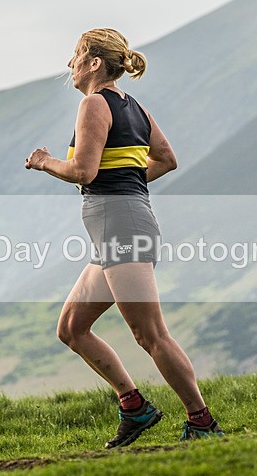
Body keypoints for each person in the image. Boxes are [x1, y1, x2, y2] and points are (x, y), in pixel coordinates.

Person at [25, 28, 223, 448]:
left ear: (94, 63)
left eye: (75, 56)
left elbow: (83, 172)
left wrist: (44, 162)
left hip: (122, 226)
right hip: (118, 225)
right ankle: (134, 407)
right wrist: (129, 182)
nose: (69, 65)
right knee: (72, 328)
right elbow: (166, 160)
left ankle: (202, 421)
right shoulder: (135, 108)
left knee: (150, 334)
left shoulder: (94, 103)